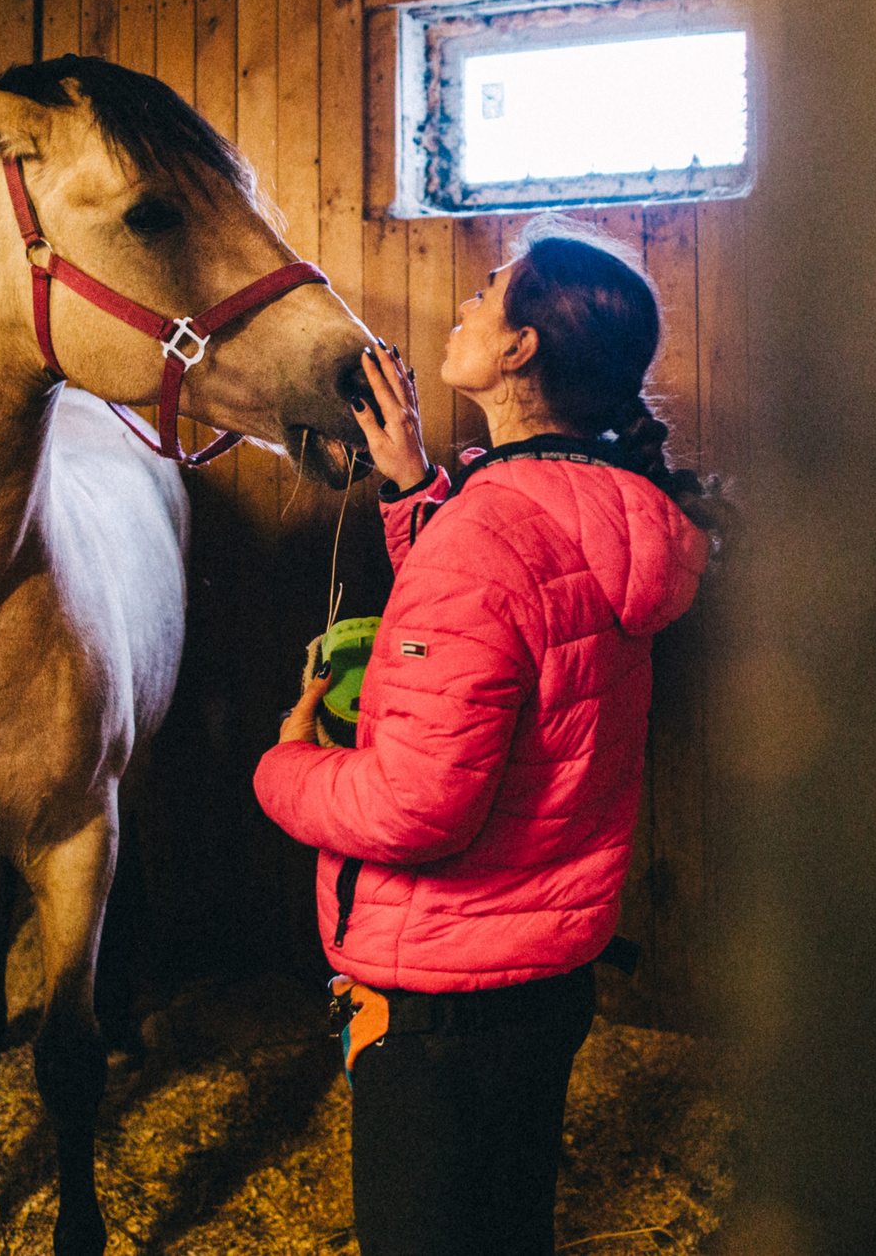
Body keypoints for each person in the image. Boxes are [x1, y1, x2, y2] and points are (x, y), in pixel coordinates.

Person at [254, 216, 721, 1256]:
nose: (466, 301)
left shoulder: (485, 534)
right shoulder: (609, 506)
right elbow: (522, 600)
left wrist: (285, 769)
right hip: (541, 979)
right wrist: (414, 482)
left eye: (490, 291)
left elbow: (414, 804)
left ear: (520, 352)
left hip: (441, 1000)